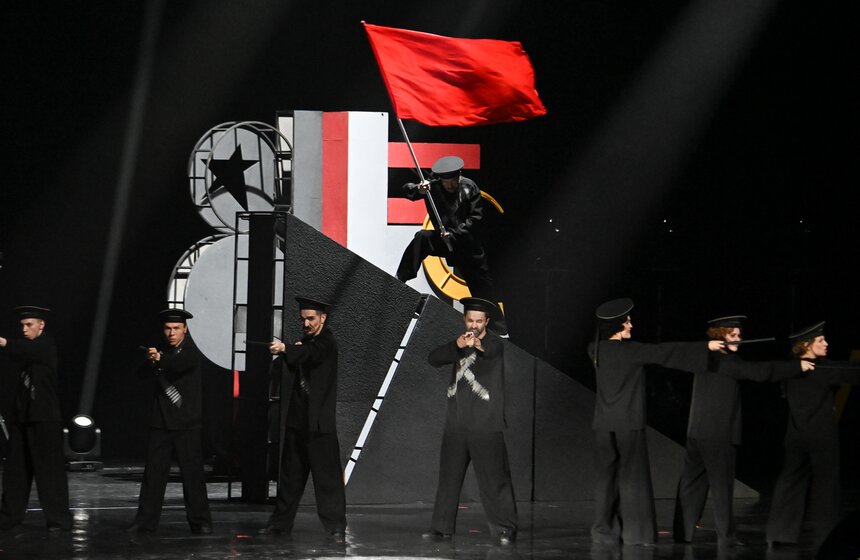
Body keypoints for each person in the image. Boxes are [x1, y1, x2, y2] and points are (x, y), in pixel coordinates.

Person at [589, 298, 723, 546]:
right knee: (632, 477)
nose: (631, 324)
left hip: (603, 425)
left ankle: (603, 531)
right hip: (628, 423)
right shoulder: (632, 351)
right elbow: (666, 352)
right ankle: (636, 533)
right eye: (627, 321)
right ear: (619, 325)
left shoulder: (594, 349)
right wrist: (707, 347)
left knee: (606, 478)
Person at [672, 316, 813, 547]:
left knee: (691, 484)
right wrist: (797, 366)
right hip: (718, 435)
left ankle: (683, 533)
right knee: (721, 487)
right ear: (720, 337)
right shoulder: (728, 362)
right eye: (733, 335)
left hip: (695, 432)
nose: (739, 338)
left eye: (739, 334)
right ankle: (726, 537)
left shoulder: (703, 357)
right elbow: (760, 371)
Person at [422, 297, 517, 546]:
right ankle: (441, 528)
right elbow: (434, 358)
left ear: (486, 322)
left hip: (486, 423)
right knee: (448, 478)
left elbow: (492, 351)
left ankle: (505, 529)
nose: (473, 325)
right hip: (457, 423)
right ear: (465, 319)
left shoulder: (495, 343)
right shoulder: (459, 342)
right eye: (470, 320)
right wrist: (457, 344)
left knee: (494, 479)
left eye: (478, 322)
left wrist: (478, 344)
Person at [766, 322, 860, 548]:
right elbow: (851, 371)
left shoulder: (789, 369)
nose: (826, 344)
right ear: (807, 346)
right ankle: (827, 535)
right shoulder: (822, 369)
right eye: (820, 341)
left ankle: (780, 534)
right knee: (827, 486)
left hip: (795, 437)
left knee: (790, 483)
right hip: (821, 438)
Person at [259, 296, 346, 538]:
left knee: (327, 480)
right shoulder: (306, 343)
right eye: (303, 319)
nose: (306, 323)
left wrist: (287, 348)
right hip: (298, 422)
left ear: (323, 318)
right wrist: (292, 350)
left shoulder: (327, 342)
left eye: (311, 319)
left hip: (319, 425)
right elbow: (302, 355)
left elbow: (313, 354)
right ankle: (280, 524)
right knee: (289, 478)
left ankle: (336, 526)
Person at [127, 308, 211, 534]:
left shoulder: (192, 351)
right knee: (153, 476)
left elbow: (179, 364)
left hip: (187, 422)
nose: (171, 333)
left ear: (185, 329)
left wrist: (160, 359)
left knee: (192, 475)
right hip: (161, 423)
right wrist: (151, 359)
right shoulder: (160, 351)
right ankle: (145, 521)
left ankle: (200, 522)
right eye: (167, 328)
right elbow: (141, 374)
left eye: (175, 328)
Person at [396, 156, 503, 328]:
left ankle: (500, 328)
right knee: (422, 238)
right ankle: (401, 278)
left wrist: (453, 234)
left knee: (483, 292)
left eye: (454, 181)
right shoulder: (432, 186)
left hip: (468, 247)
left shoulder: (470, 188)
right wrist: (418, 189)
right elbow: (405, 189)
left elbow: (476, 220)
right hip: (443, 242)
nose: (451, 185)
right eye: (447, 182)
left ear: (459, 176)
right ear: (441, 180)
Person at [0, 306, 72, 531]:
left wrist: (3, 342)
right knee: (15, 470)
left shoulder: (45, 345)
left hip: (44, 419)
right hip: (23, 417)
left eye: (29, 324)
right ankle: (9, 516)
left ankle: (58, 519)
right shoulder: (25, 352)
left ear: (41, 325)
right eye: (22, 325)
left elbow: (21, 349)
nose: (24, 329)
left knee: (49, 471)